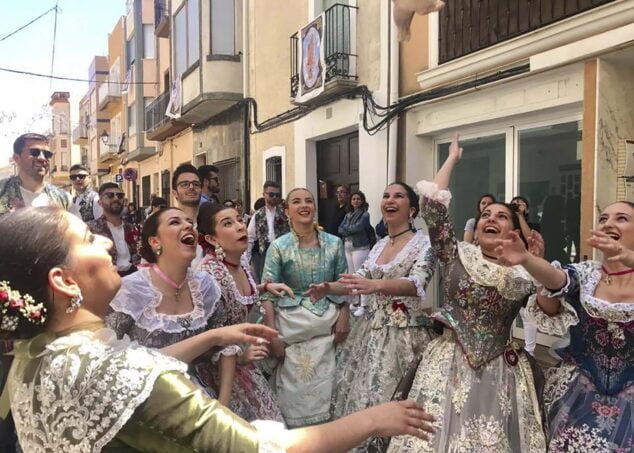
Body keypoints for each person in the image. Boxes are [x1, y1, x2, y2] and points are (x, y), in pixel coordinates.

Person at [0, 206, 436, 452]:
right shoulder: (118, 362)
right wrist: (371, 421)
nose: (110, 242)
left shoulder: (33, 357)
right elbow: (254, 449)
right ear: (62, 280)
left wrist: (218, 337)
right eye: (88, 240)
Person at [387, 134, 547, 452]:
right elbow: (432, 210)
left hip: (503, 369)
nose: (491, 219)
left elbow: (548, 307)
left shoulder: (523, 271)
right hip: (447, 362)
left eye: (502, 216)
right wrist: (451, 160)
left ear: (513, 231)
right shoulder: (457, 253)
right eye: (486, 215)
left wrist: (538, 265)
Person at [495, 201, 634, 451]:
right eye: (603, 219)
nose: (609, 223)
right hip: (579, 396)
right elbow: (558, 281)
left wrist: (630, 258)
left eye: (621, 218)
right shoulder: (587, 274)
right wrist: (528, 259)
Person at [313, 182, 436, 452]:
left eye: (399, 196)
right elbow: (359, 280)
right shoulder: (380, 245)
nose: (390, 200)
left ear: (412, 209)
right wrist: (328, 288)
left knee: (401, 402)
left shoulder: (424, 244)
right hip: (371, 332)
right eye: (386, 196)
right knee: (362, 396)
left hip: (406, 334)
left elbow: (417, 284)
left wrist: (377, 286)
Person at [260, 188, 350, 428]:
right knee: (293, 386)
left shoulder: (334, 243)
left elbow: (345, 284)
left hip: (328, 323)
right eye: (297, 202)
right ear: (287, 210)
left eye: (309, 201)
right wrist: (272, 335)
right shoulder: (278, 247)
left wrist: (344, 315)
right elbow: (267, 293)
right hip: (290, 326)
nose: (304, 205)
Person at [197, 202, 290, 422]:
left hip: (241, 365)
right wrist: (241, 358)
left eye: (239, 219)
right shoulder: (209, 276)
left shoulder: (239, 264)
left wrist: (264, 288)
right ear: (212, 239)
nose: (240, 226)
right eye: (227, 223)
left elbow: (236, 296)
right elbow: (205, 340)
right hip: (218, 372)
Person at [0, 132, 71, 215]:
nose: (42, 158)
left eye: (47, 154)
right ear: (16, 158)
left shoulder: (63, 199)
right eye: (34, 152)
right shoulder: (2, 191)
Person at [87, 183, 140, 277]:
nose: (116, 199)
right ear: (100, 202)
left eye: (120, 196)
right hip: (106, 279)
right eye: (110, 196)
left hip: (134, 278)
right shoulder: (91, 230)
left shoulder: (132, 228)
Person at [510, 195, 540, 356]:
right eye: (514, 204)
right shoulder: (507, 225)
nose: (516, 206)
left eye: (520, 204)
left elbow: (530, 239)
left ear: (527, 208)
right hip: (510, 270)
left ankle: (530, 351)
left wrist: (520, 216)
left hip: (527, 271)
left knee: (527, 311)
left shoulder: (533, 226)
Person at [337, 190, 373, 317]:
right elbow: (339, 229)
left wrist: (347, 229)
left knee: (361, 276)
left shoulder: (365, 214)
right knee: (351, 276)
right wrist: (347, 229)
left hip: (360, 248)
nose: (356, 201)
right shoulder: (347, 215)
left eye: (358, 199)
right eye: (353, 199)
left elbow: (358, 227)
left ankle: (364, 304)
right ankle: (355, 302)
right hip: (347, 248)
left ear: (362, 201)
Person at [246, 181, 290, 283]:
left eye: (277, 195)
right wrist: (246, 259)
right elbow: (250, 238)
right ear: (264, 194)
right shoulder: (258, 214)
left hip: (284, 251)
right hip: (264, 252)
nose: (274, 197)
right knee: (265, 280)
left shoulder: (286, 212)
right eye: (271, 195)